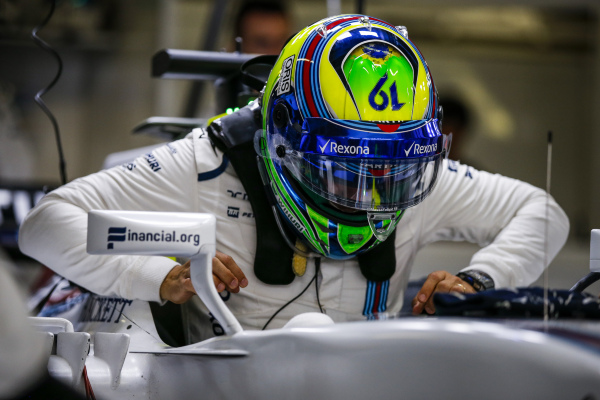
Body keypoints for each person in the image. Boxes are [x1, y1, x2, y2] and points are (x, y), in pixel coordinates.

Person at [18, 15, 569, 342]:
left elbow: (543, 213)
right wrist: (155, 273)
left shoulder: (409, 167)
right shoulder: (204, 163)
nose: (370, 186)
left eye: (390, 169)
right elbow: (46, 223)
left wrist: (479, 281)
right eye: (344, 167)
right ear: (284, 137)